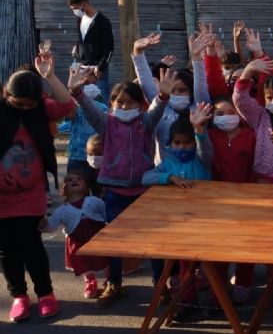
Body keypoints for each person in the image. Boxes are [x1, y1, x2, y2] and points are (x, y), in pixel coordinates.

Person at [69, 67, 177, 308]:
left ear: (140, 105)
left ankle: (161, 285)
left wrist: (163, 96)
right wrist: (77, 93)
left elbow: (157, 110)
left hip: (143, 192)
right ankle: (114, 284)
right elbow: (89, 110)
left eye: (131, 103)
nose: (125, 107)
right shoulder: (107, 124)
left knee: (152, 242)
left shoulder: (145, 123)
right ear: (112, 104)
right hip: (115, 193)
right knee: (115, 242)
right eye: (120, 102)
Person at [1, 56, 75, 322]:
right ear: (5, 94)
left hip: (30, 194)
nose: (24, 109)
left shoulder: (41, 111)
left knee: (30, 244)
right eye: (18, 104)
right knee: (7, 249)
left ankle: (45, 294)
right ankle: (19, 295)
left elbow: (67, 104)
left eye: (30, 105)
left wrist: (51, 77)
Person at [142, 109, 213, 321]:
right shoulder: (168, 164)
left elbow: (205, 149)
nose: (182, 147)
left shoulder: (202, 161)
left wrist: (199, 131)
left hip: (204, 220)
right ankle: (187, 302)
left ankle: (211, 299)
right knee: (183, 264)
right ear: (170, 144)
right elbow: (146, 177)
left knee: (206, 264)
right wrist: (169, 177)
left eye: (187, 143)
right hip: (177, 224)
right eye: (177, 143)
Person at [132, 31, 212, 162]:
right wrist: (138, 51)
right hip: (165, 173)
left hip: (196, 172)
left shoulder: (199, 108)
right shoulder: (161, 108)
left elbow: (201, 86)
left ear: (191, 92)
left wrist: (196, 57)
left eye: (182, 90)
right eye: (173, 91)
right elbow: (145, 82)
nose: (177, 94)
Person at [208, 96, 257, 303]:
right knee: (218, 246)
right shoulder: (210, 135)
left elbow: (256, 165)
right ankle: (218, 287)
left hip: (247, 201)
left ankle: (243, 284)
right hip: (218, 202)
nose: (226, 117)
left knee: (246, 245)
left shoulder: (250, 136)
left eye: (231, 112)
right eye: (220, 113)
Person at [40, 171, 108, 300]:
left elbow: (105, 214)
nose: (74, 181)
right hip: (77, 241)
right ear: (64, 189)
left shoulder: (94, 201)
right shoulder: (62, 210)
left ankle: (111, 280)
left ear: (87, 187)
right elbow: (52, 226)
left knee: (104, 259)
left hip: (97, 237)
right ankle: (90, 282)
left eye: (79, 179)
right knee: (84, 263)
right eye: (69, 180)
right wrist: (44, 224)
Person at [64, 72, 107, 196]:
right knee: (98, 191)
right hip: (96, 155)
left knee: (75, 192)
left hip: (78, 156)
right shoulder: (103, 108)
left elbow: (66, 117)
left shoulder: (75, 108)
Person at [69, 0, 114, 102]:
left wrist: (101, 66)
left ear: (84, 5)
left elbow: (109, 47)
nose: (75, 12)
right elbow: (82, 38)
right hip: (79, 63)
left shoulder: (103, 22)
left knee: (102, 96)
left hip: (96, 67)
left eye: (76, 8)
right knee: (77, 95)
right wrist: (77, 49)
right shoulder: (80, 19)